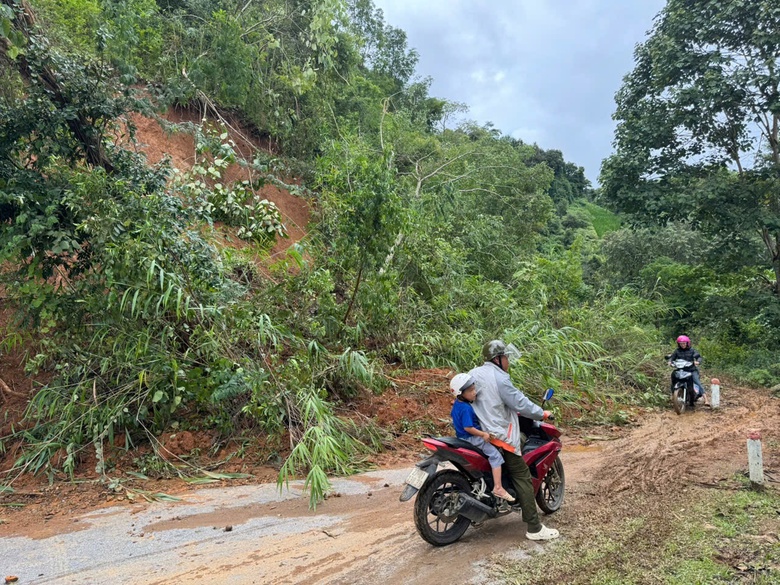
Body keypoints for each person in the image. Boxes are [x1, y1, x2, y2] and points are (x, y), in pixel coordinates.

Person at [469, 340, 560, 541]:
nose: (508, 361)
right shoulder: (500, 379)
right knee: (523, 476)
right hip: (498, 435)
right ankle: (535, 528)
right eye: (506, 357)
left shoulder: (473, 373)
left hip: (476, 432)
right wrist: (541, 413)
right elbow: (519, 402)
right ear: (498, 359)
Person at [450, 373, 516, 503]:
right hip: (472, 438)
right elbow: (468, 427)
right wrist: (483, 434)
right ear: (460, 394)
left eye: (474, 389)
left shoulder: (457, 405)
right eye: (470, 391)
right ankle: (498, 487)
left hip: (461, 439)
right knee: (496, 456)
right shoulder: (466, 408)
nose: (474, 392)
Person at [668, 335, 705, 402]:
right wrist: (670, 361)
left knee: (697, 381)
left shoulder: (692, 350)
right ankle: (673, 395)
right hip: (681, 370)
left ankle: (706, 398)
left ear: (687, 343)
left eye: (684, 343)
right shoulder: (677, 351)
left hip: (691, 370)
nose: (682, 345)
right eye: (681, 344)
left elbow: (699, 357)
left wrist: (698, 362)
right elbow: (672, 357)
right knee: (673, 378)